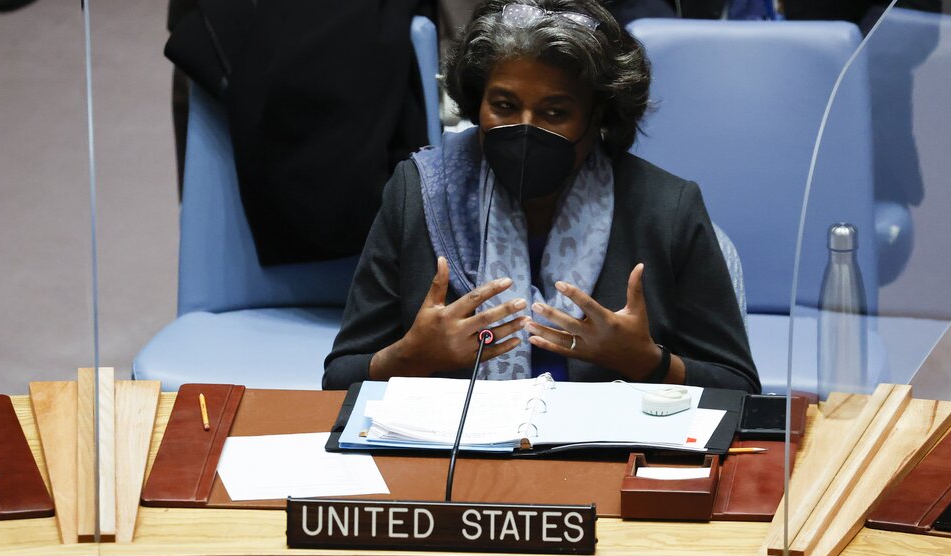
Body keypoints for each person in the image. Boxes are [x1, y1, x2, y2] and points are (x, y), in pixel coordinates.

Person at [322, 0, 758, 392]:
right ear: (477, 103)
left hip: (603, 450)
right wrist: (407, 358)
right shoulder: (418, 192)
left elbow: (738, 387)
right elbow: (340, 376)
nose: (526, 129)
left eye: (555, 112)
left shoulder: (665, 207)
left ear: (599, 115)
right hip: (454, 448)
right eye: (504, 106)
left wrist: (649, 362)